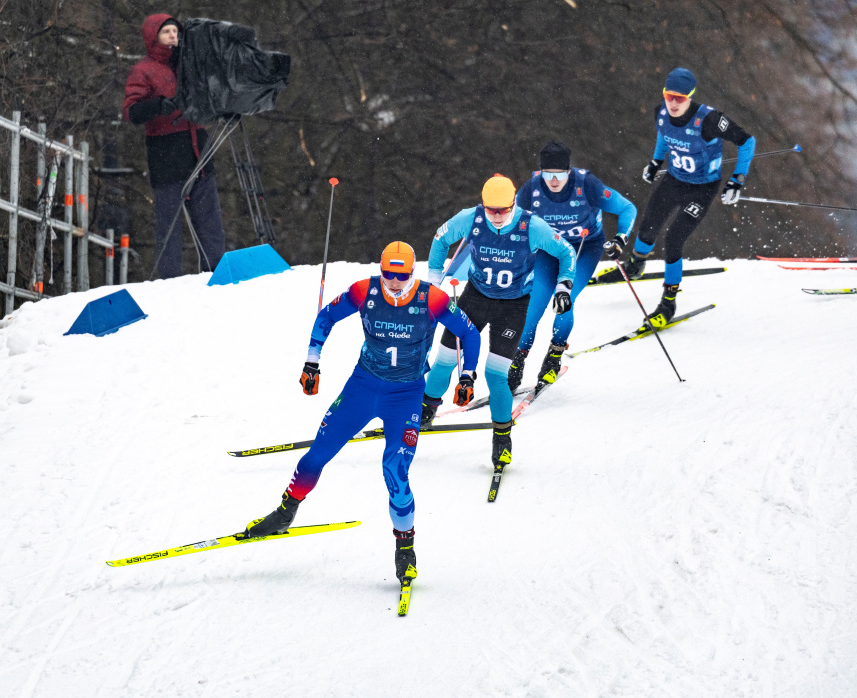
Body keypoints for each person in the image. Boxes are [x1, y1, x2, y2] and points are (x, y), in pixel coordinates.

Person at [242, 242, 481, 586]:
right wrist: (312, 361)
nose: (394, 282)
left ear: (412, 273)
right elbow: (326, 316)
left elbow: (468, 333)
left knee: (395, 471)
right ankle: (285, 511)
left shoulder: (432, 298)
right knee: (316, 455)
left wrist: (467, 375)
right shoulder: (363, 291)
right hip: (362, 388)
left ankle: (405, 548)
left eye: (402, 276)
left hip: (406, 395)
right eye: (388, 274)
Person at [422, 174, 576, 469]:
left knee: (496, 375)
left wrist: (564, 285)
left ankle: (502, 439)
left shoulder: (532, 226)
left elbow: (566, 252)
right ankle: (426, 410)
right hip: (474, 299)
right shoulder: (471, 218)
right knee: (445, 359)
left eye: (502, 210)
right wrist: (432, 279)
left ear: (513, 203)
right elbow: (440, 240)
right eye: (490, 210)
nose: (495, 217)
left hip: (513, 306)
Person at [601, 66, 755, 327]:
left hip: (703, 188)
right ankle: (636, 265)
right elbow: (664, 135)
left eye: (680, 98)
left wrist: (737, 179)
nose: (673, 102)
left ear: (690, 97)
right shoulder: (660, 112)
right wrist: (655, 162)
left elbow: (746, 141)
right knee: (648, 225)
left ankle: (668, 303)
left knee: (673, 239)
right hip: (674, 180)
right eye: (669, 95)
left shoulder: (709, 120)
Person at [509, 141, 637, 390]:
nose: (554, 181)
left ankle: (554, 357)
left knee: (564, 301)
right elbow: (512, 222)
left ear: (568, 171)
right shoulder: (531, 190)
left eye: (559, 174)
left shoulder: (587, 184)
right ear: (540, 172)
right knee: (533, 305)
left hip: (584, 249)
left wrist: (620, 238)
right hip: (549, 251)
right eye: (548, 174)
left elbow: (627, 208)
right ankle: (517, 361)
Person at [123, 14, 225, 278]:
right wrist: (159, 105)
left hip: (197, 147)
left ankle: (216, 273)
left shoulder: (189, 63)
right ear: (153, 36)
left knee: (209, 218)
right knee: (169, 222)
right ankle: (170, 281)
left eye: (175, 31)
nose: (173, 36)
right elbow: (131, 112)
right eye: (166, 31)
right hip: (166, 152)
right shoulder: (143, 70)